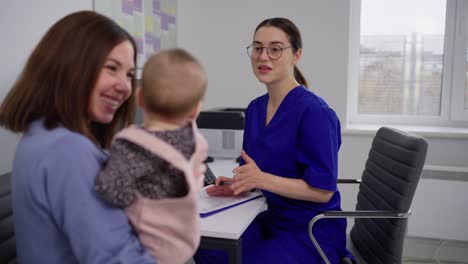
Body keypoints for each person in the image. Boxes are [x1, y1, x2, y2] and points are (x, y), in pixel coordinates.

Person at [194, 17, 354, 264]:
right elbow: (256, 171)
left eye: (275, 49)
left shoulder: (316, 113)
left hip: (310, 230)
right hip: (271, 218)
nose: (263, 56)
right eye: (257, 48)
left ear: (296, 55)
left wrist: (261, 179)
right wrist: (240, 184)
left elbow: (323, 192)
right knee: (205, 247)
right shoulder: (256, 109)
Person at [0, 11, 156, 263]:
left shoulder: (40, 137)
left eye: (129, 74)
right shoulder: (68, 150)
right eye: (112, 68)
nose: (126, 86)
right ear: (70, 65)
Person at [95, 48, 208, 264]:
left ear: (139, 98)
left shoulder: (131, 145)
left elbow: (111, 191)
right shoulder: (196, 141)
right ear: (195, 111)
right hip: (186, 243)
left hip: (152, 249)